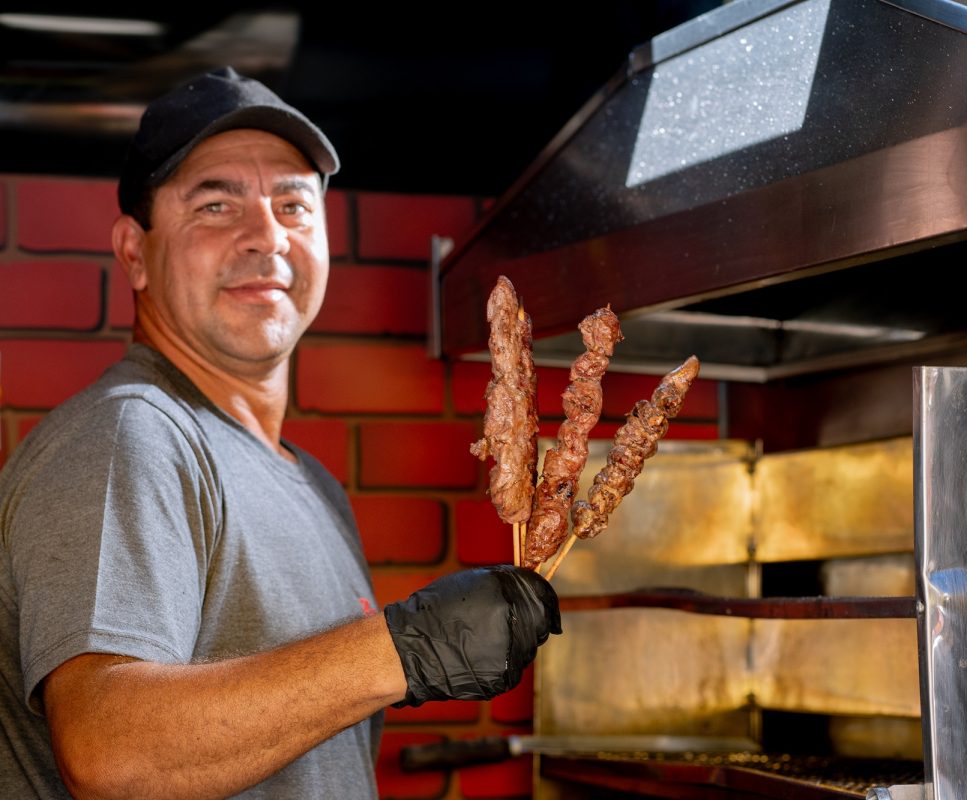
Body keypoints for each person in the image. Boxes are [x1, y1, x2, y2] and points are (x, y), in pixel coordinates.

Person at [0, 67, 560, 800]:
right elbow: (113, 755)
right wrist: (405, 649)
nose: (265, 236)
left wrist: (393, 656)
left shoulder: (312, 484)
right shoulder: (132, 435)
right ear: (133, 252)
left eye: (293, 205)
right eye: (215, 204)